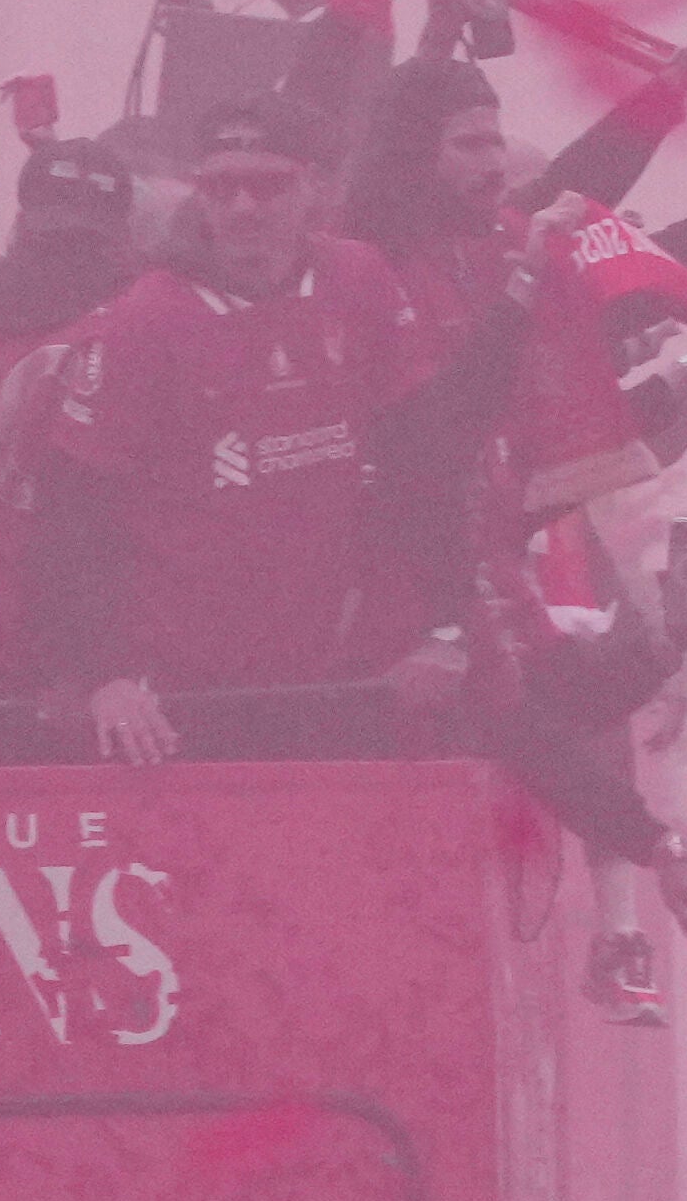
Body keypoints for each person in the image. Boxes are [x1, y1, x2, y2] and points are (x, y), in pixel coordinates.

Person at [41, 83, 508, 761]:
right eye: (221, 186)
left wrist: (446, 626)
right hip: (178, 694)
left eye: (267, 186)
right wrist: (100, 673)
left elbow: (422, 462)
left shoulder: (358, 278)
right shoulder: (147, 317)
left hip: (324, 678)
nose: (242, 207)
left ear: (313, 188)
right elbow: (69, 511)